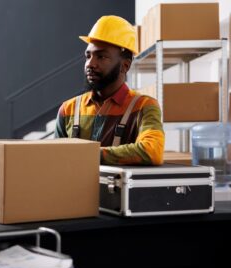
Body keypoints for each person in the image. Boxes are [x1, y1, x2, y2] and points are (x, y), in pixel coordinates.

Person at [55, 15, 164, 165]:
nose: (90, 64)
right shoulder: (68, 109)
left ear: (125, 66)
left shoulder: (144, 107)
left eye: (101, 57)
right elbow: (55, 159)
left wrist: (87, 154)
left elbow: (152, 151)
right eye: (88, 56)